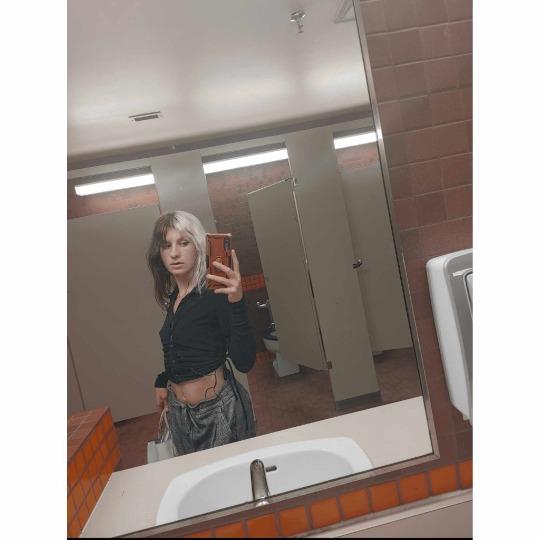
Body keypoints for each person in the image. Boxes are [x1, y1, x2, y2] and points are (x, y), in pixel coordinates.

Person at [146, 210, 257, 456]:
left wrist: (237, 301)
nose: (174, 253)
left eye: (183, 243)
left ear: (198, 246)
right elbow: (183, 349)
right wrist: (163, 380)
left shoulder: (214, 295)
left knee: (231, 476)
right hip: (180, 414)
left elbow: (245, 361)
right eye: (166, 245)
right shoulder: (174, 298)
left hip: (218, 411)